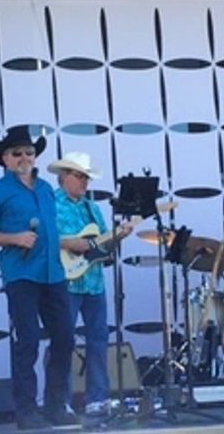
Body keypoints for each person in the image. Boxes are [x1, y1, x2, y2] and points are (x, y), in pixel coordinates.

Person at [0, 125, 78, 429]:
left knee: (65, 339)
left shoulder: (46, 189)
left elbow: (53, 230)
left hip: (54, 274)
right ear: (5, 159)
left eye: (29, 152)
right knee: (28, 342)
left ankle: (56, 405)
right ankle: (26, 410)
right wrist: (14, 238)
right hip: (22, 276)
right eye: (17, 153)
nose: (24, 157)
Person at [50, 152, 132, 417]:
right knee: (62, 341)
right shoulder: (50, 201)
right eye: (80, 176)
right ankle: (57, 399)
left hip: (94, 281)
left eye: (86, 177)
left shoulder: (92, 207)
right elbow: (43, 237)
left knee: (98, 340)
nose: (85, 181)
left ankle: (98, 398)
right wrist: (69, 242)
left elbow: (101, 246)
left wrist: (118, 237)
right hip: (65, 281)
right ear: (64, 176)